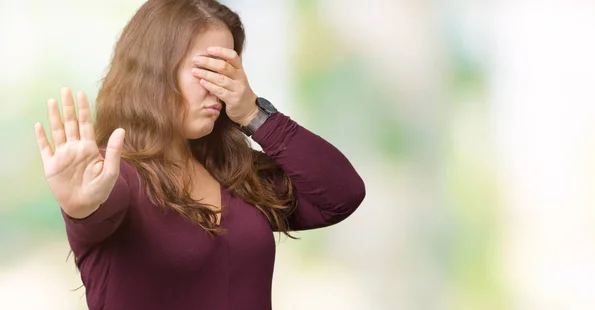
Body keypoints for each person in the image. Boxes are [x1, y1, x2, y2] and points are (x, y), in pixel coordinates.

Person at [33, 0, 365, 309]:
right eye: (205, 69)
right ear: (153, 72)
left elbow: (342, 194)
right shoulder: (114, 175)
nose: (218, 86)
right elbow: (98, 205)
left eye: (227, 70)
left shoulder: (234, 173)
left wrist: (255, 114)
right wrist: (80, 208)